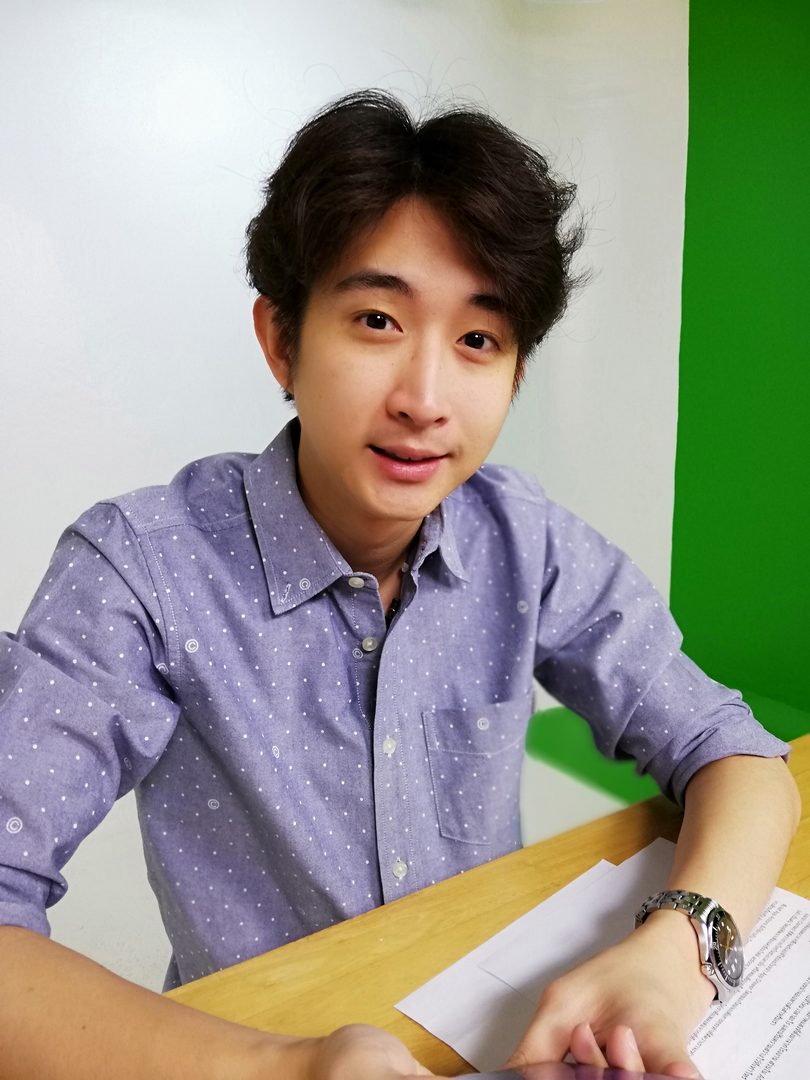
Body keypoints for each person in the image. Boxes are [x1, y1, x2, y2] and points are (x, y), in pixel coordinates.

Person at [0, 91, 800, 1080]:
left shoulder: (523, 539)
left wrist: (675, 958)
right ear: (281, 339)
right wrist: (293, 1070)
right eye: (377, 319)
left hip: (498, 1036)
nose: (425, 400)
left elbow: (741, 757)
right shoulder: (144, 567)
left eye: (479, 340)